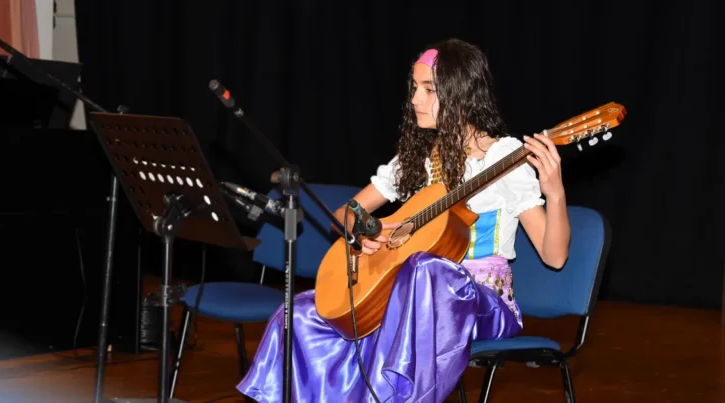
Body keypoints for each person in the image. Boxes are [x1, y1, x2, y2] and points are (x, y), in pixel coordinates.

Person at [236, 38, 571, 402]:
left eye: (428, 89)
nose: (414, 99)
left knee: (427, 270)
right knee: (299, 314)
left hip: (481, 304)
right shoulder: (417, 157)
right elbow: (344, 214)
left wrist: (555, 193)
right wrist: (365, 233)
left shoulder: (505, 157)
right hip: (408, 300)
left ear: (460, 92)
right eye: (414, 87)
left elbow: (554, 257)